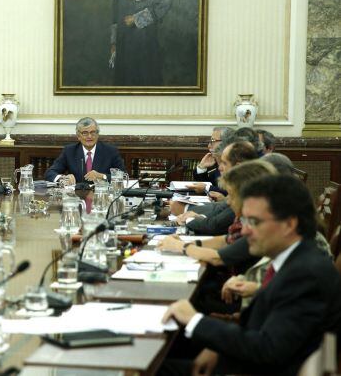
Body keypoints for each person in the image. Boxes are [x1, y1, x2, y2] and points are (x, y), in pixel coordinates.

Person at [161, 175, 341, 375]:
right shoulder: (294, 260)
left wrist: (194, 320)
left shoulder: (306, 274)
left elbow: (269, 350)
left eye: (253, 222)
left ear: (289, 224)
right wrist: (217, 348)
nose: (244, 231)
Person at [158, 160, 278, 265]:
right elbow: (226, 240)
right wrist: (190, 243)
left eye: (232, 196)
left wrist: (179, 246)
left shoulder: (261, 224)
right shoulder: (246, 217)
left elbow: (218, 258)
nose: (228, 202)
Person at [45, 117, 125, 184]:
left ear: (97, 135)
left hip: (102, 196)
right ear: (78, 136)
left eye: (93, 132)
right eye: (85, 133)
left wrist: (102, 176)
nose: (89, 136)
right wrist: (63, 178)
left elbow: (123, 176)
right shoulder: (69, 151)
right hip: (77, 197)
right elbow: (50, 173)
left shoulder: (110, 151)